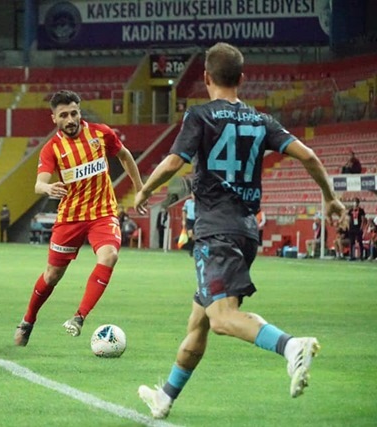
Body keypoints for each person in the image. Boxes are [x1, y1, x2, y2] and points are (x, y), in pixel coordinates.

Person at [132, 43, 347, 419]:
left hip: (216, 231)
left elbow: (174, 162)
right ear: (242, 79)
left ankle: (291, 346)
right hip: (246, 231)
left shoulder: (199, 115)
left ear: (206, 77)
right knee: (199, 321)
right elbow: (310, 156)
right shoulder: (261, 121)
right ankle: (165, 397)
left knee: (221, 318)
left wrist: (145, 190)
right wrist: (330, 198)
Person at [13, 89, 144, 346]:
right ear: (54, 118)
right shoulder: (51, 149)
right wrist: (48, 188)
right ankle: (28, 320)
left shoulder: (101, 133)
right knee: (52, 275)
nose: (70, 119)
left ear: (79, 112)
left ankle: (79, 317)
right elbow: (39, 184)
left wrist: (141, 188)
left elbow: (125, 156)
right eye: (64, 115)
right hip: (70, 217)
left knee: (109, 256)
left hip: (103, 213)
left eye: (74, 113)